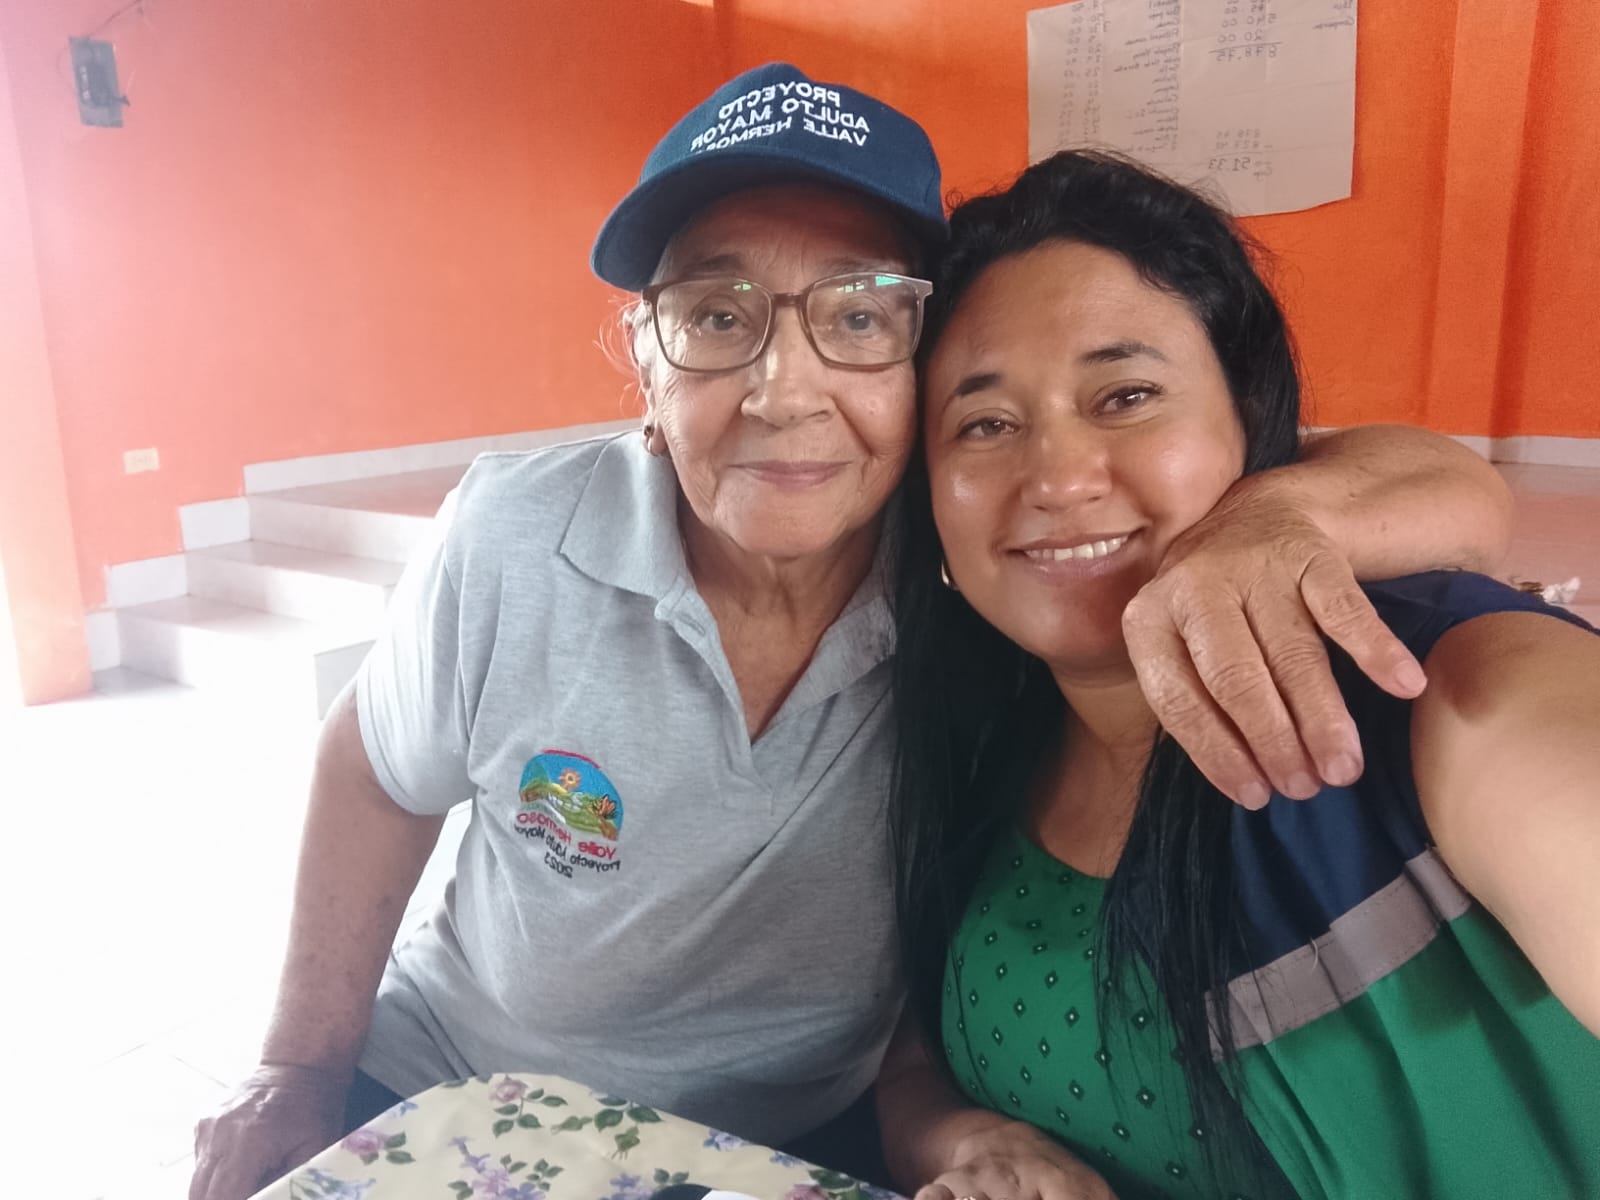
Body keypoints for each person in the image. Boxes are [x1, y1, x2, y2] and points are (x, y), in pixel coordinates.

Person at [190, 65, 1515, 1200]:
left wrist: (1274, 523)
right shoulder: (514, 537)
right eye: (717, 318)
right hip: (467, 1084)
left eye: (860, 315)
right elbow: (373, 768)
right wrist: (296, 1064)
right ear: (644, 364)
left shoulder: (988, 556)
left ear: (925, 366)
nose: (785, 390)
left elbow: (1434, 481)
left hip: (792, 1138)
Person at [879, 150, 1600, 1200]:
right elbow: (911, 1065)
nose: (1060, 478)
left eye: (1126, 395)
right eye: (985, 424)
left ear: (1252, 429)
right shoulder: (969, 738)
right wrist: (966, 1142)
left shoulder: (1427, 689)